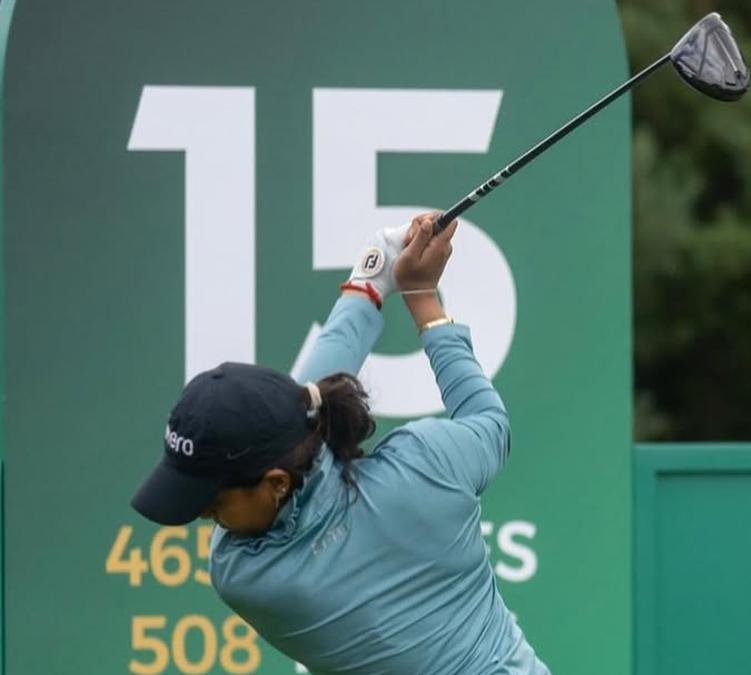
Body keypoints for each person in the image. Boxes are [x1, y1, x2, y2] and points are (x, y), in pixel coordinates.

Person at [131, 213, 550, 675]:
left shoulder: (242, 573)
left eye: (213, 503)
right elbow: (487, 420)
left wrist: (371, 282)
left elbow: (306, 412)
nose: (205, 517)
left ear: (276, 482)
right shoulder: (427, 465)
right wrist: (417, 295)